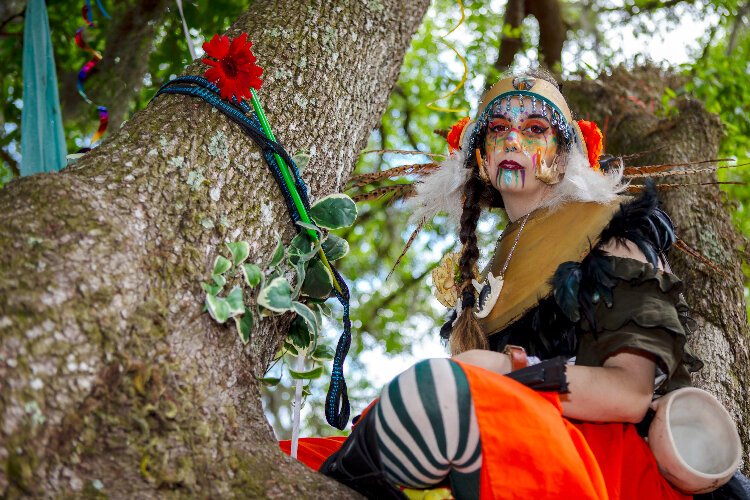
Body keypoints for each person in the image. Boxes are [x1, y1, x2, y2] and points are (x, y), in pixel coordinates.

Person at [283, 70, 709, 499]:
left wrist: (504, 370)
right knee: (294, 455)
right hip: (510, 449)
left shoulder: (612, 225)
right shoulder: (492, 267)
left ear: (565, 153)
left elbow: (630, 394)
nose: (511, 141)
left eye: (535, 129)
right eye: (499, 129)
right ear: (482, 158)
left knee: (437, 390)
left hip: (609, 470)